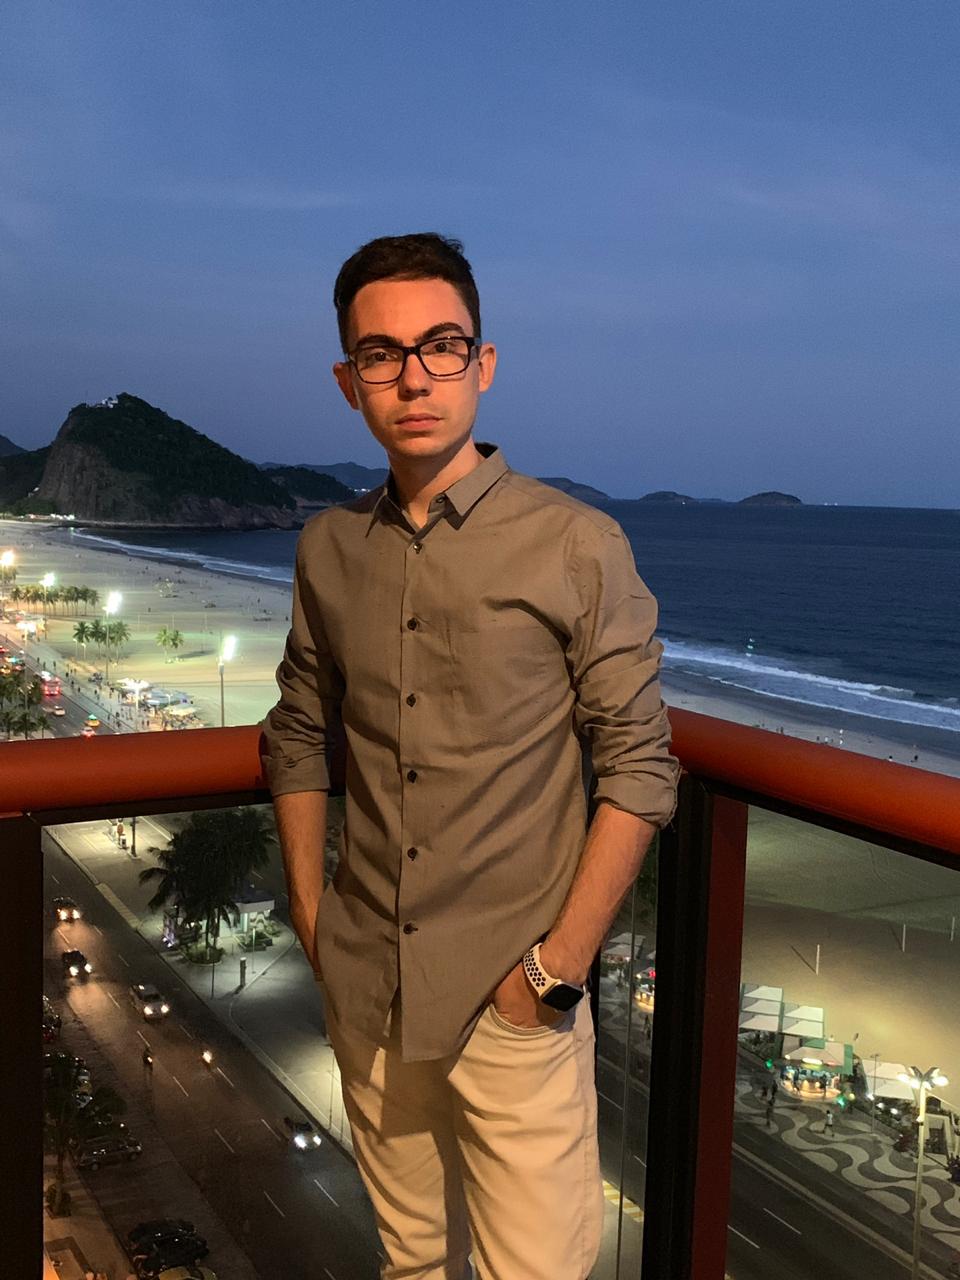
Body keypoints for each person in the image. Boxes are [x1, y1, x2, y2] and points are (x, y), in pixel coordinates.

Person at [261, 233, 678, 1280]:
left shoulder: (576, 543)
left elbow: (639, 765)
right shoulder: (328, 546)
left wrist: (555, 971)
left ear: (482, 363)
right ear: (348, 381)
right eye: (381, 354)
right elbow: (299, 729)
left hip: (512, 998)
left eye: (441, 345)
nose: (414, 377)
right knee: (414, 1261)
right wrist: (314, 916)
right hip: (369, 986)